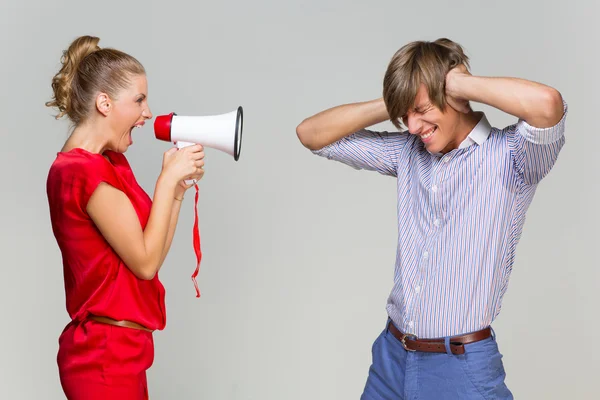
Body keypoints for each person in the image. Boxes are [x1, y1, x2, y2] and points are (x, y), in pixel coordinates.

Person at [296, 38, 567, 399]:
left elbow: (549, 105)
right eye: (404, 115)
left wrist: (457, 83)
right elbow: (311, 135)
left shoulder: (513, 156)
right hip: (392, 357)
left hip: (460, 365)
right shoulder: (407, 152)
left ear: (453, 95)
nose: (411, 126)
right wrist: (402, 98)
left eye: (421, 109)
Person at [45, 35, 205, 399]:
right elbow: (146, 264)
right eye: (139, 100)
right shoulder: (79, 171)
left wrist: (176, 190)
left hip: (125, 349)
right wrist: (165, 181)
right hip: (103, 355)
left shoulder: (111, 164)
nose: (147, 113)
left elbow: (150, 256)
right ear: (104, 103)